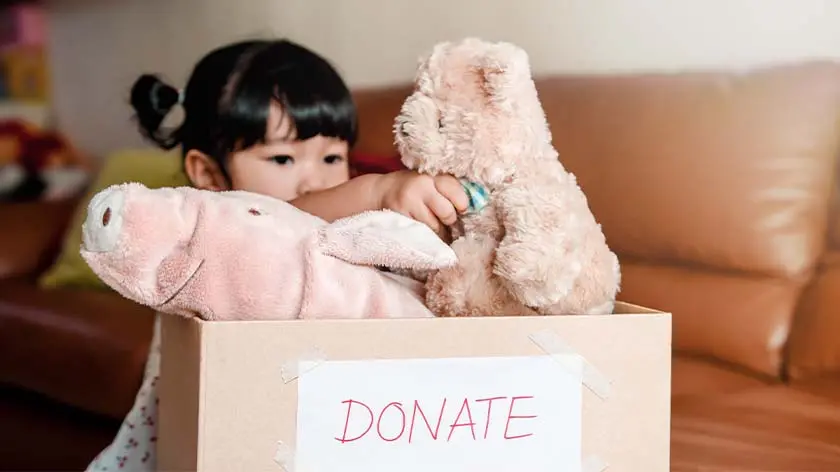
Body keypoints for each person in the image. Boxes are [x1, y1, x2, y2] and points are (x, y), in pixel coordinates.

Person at [85, 38, 467, 472]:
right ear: (209, 174)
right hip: (219, 433)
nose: (316, 181)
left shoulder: (344, 233)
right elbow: (284, 225)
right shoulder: (214, 240)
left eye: (332, 156)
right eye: (283, 158)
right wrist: (377, 191)